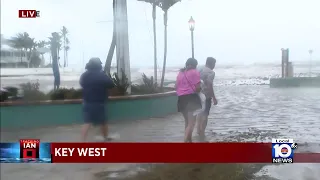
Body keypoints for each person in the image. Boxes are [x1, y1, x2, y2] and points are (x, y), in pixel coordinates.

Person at [80, 57, 115, 141]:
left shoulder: (84, 75)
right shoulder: (101, 75)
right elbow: (111, 84)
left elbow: (82, 84)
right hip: (99, 102)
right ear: (98, 65)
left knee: (87, 122)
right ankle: (106, 137)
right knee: (103, 121)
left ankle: (82, 141)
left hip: (87, 102)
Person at [176, 58, 202, 142]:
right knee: (191, 123)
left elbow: (176, 86)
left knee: (187, 122)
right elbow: (198, 88)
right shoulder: (195, 72)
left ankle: (189, 141)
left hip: (181, 99)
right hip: (191, 98)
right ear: (195, 65)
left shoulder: (180, 73)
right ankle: (185, 141)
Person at [197, 57, 218, 138]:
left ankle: (198, 130)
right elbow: (209, 85)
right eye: (214, 64)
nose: (214, 66)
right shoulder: (211, 72)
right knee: (205, 114)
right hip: (206, 96)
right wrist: (214, 97)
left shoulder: (199, 69)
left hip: (197, 94)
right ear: (212, 63)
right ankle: (202, 132)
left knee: (199, 112)